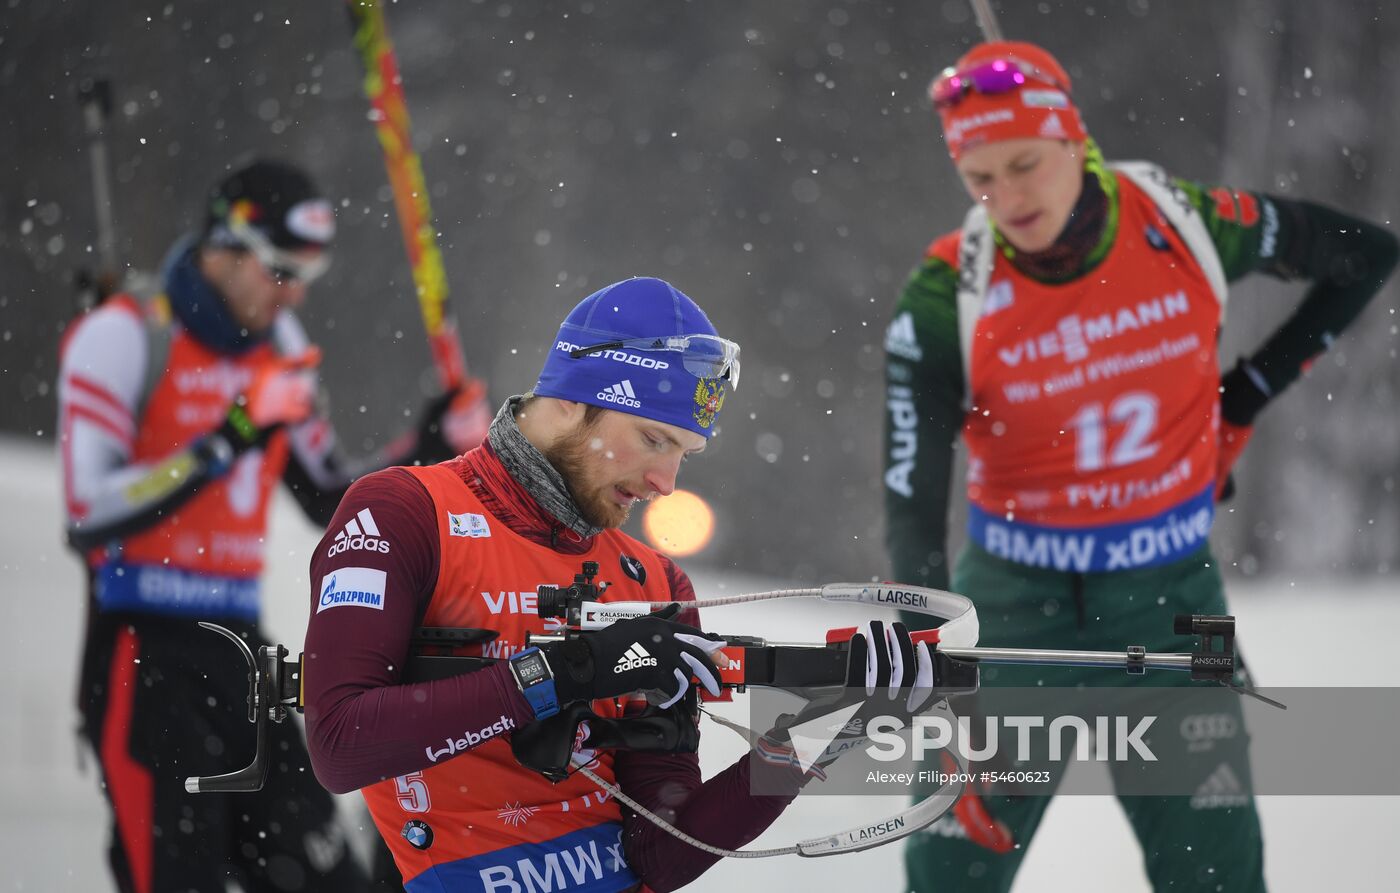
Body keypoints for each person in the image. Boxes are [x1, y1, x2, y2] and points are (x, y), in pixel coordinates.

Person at [882, 40, 1397, 892]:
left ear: (1074, 143)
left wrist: (1246, 394)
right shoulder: (947, 292)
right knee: (949, 873)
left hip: (1173, 605)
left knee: (1218, 873)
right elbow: (911, 502)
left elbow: (1366, 253)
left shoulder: (1183, 220)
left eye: (1024, 164)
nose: (1007, 197)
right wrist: (940, 685)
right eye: (980, 177)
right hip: (1013, 612)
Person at [302, 276, 936, 892]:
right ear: (571, 399)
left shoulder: (656, 579)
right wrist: (574, 669)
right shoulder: (402, 513)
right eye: (653, 439)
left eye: (684, 453)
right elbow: (339, 745)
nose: (666, 481)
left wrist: (811, 738)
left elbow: (662, 855)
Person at [58, 158, 490, 892]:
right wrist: (231, 432)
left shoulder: (281, 345)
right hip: (143, 651)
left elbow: (327, 492)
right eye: (280, 270)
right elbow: (87, 511)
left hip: (239, 653)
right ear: (225, 245)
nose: (292, 293)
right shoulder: (126, 335)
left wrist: (428, 448)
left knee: (325, 876)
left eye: (307, 275)